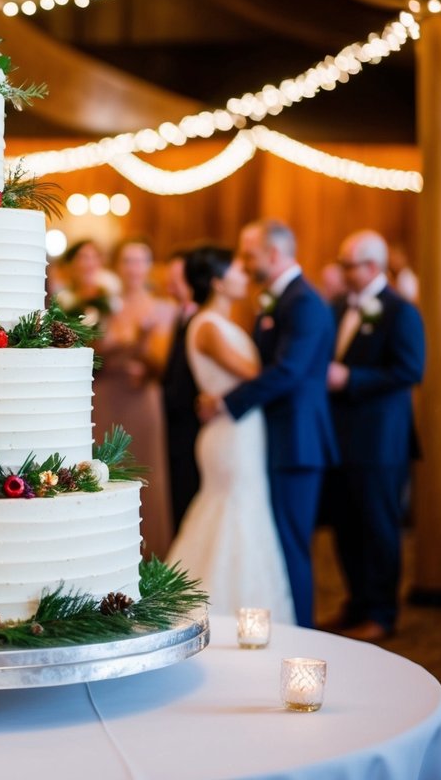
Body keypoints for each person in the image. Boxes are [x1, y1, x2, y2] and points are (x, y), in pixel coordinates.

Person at [197, 219, 337, 629]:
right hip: (274, 438)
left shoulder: (304, 302)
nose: (242, 262)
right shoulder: (277, 301)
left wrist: (226, 402)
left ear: (273, 254)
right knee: (278, 544)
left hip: (298, 441)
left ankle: (305, 636)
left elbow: (289, 372)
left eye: (248, 254)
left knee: (292, 546)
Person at [166, 246, 295, 623]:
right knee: (231, 513)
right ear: (219, 282)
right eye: (239, 268)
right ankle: (216, 609)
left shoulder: (219, 322)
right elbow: (256, 372)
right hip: (229, 436)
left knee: (240, 511)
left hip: (238, 428)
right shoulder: (207, 326)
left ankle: (243, 605)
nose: (246, 273)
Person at [323, 231, 425, 641]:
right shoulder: (335, 307)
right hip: (340, 437)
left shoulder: (401, 312)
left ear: (373, 266)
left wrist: (351, 377)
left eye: (350, 264)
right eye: (343, 264)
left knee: (378, 527)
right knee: (345, 525)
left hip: (382, 440)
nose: (343, 271)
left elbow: (410, 370)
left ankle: (382, 613)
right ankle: (356, 603)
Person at [96, 238, 176, 558]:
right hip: (106, 394)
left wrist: (141, 357)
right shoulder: (102, 306)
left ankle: (150, 552)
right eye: (127, 260)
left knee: (146, 471)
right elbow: (92, 352)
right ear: (117, 266)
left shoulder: (163, 307)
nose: (133, 268)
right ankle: (105, 550)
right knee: (106, 469)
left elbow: (161, 360)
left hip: (141, 397)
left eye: (141, 260)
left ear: (149, 266)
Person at [161, 248, 201, 530]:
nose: (171, 284)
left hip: (191, 418)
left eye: (177, 278)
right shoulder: (180, 315)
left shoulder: (201, 319)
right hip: (175, 417)